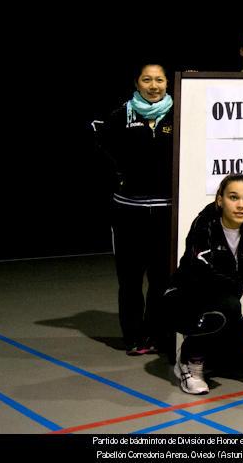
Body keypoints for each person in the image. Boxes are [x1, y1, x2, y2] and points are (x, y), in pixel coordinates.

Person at [165, 174, 243, 394]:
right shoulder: (204, 224)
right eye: (234, 197)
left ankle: (211, 353)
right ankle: (189, 360)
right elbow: (206, 276)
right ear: (220, 199)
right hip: (184, 299)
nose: (241, 205)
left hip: (224, 304)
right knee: (229, 303)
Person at [96, 63, 174, 356]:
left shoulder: (179, 115)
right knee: (129, 281)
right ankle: (133, 336)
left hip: (166, 212)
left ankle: (156, 334)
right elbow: (102, 152)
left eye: (159, 80)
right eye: (147, 80)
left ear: (168, 83)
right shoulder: (119, 116)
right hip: (128, 212)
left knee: (161, 280)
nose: (153, 86)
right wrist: (120, 177)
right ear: (137, 83)